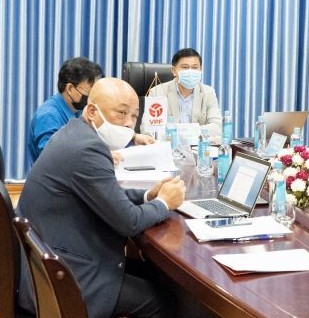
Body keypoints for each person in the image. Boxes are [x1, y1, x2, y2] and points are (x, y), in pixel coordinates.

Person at [17, 77, 186, 318]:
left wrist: (149, 195)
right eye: (122, 113)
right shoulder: (87, 149)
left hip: (54, 257)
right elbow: (129, 222)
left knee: (158, 276)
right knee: (166, 302)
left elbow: (107, 195)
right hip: (68, 276)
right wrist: (164, 203)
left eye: (134, 116)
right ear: (92, 112)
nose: (129, 124)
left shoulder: (76, 132)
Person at [26, 57, 103, 164]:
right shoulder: (49, 116)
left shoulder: (78, 111)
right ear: (70, 89)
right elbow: (52, 161)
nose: (92, 98)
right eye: (89, 92)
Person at [146, 48, 222, 138]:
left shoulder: (208, 92)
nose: (190, 71)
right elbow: (148, 130)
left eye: (195, 67)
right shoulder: (157, 92)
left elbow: (217, 127)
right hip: (169, 145)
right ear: (174, 71)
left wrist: (183, 132)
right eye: (185, 67)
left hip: (197, 145)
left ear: (200, 70)